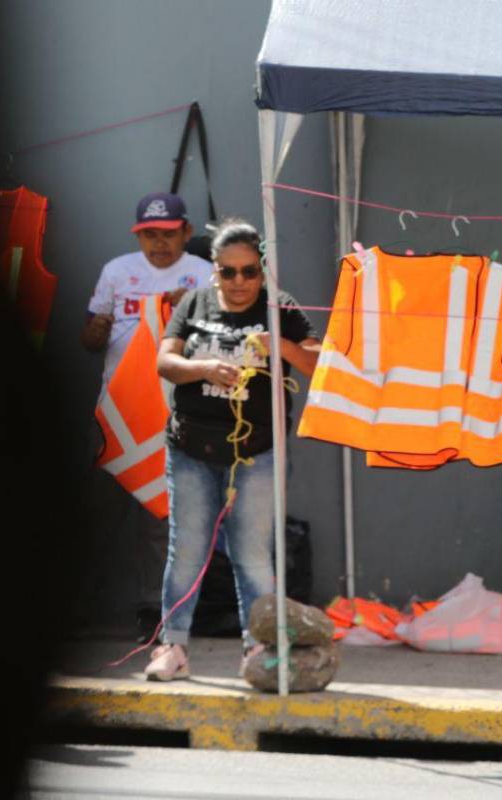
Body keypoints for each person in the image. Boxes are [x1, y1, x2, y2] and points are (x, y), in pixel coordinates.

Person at [145, 218, 319, 680]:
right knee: (186, 550)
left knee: (253, 553)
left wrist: (278, 344)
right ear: (213, 272)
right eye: (228, 272)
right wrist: (203, 368)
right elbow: (165, 361)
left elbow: (321, 363)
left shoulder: (279, 307)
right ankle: (172, 648)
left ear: (263, 272)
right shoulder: (194, 302)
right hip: (190, 448)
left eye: (248, 272)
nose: (238, 282)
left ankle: (258, 650)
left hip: (256, 451)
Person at [81, 192, 214, 639]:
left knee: (158, 515)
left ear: (187, 233)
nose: (159, 244)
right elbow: (89, 338)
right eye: (150, 236)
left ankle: (152, 612)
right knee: (100, 510)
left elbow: (217, 339)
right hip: (116, 411)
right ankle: (75, 607)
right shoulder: (117, 272)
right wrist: (95, 331)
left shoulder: (203, 275)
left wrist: (188, 308)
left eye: (169, 234)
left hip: (173, 411)